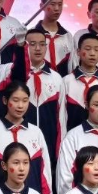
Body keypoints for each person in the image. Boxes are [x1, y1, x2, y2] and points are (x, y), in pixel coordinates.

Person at [0, 81, 53, 194]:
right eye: (15, 100)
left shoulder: (36, 133)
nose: (20, 106)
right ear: (5, 100)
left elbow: (45, 173)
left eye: (25, 101)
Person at [22, 28, 66, 181]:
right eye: (32, 44)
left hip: (48, 145)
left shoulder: (57, 78)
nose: (38, 48)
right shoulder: (17, 76)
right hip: (21, 145)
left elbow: (61, 118)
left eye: (42, 44)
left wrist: (59, 151)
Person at [62, 33, 98, 131]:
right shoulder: (66, 82)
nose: (92, 53)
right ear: (78, 52)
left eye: (96, 50)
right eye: (88, 49)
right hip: (73, 136)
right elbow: (61, 117)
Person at [34, 0, 73, 77]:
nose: (57, 8)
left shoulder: (67, 36)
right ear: (42, 6)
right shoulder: (32, 34)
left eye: (60, 4)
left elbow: (71, 66)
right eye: (52, 4)